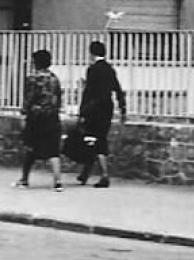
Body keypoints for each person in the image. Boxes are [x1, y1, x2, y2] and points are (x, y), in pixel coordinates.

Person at [75, 39, 126, 188]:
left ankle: (104, 175)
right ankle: (85, 173)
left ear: (91, 53)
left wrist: (82, 110)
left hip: (94, 108)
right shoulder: (110, 69)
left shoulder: (92, 70)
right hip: (107, 108)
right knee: (95, 139)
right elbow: (117, 88)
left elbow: (89, 92)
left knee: (95, 140)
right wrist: (122, 108)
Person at [16, 49, 64, 190]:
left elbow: (29, 98)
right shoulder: (55, 78)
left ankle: (24, 179)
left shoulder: (32, 78)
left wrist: (24, 115)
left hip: (36, 117)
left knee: (30, 147)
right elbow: (58, 98)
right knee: (53, 150)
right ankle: (57, 181)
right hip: (52, 116)